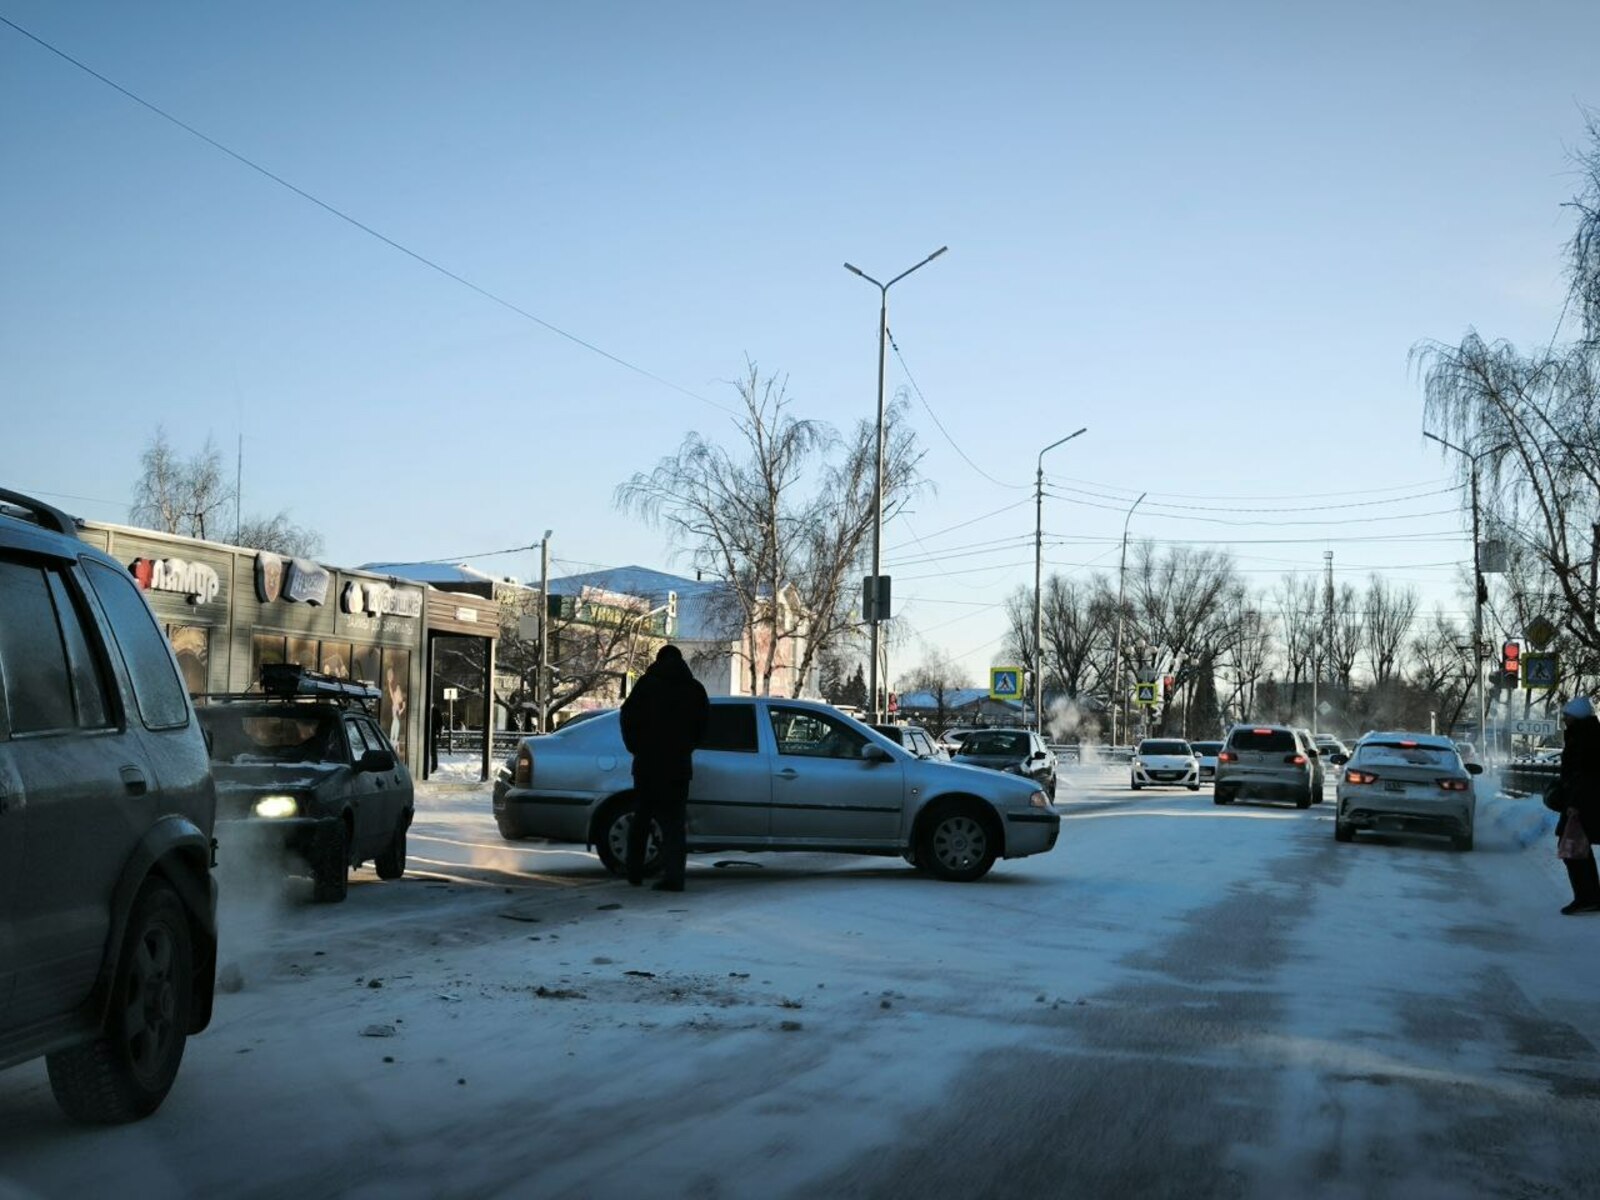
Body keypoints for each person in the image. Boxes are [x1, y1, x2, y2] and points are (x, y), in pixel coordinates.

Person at [618, 644, 709, 892]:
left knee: (642, 818)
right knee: (674, 824)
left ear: (659, 660)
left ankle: (634, 871)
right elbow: (704, 727)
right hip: (678, 766)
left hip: (647, 764)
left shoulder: (646, 686)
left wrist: (636, 747)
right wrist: (687, 747)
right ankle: (674, 877)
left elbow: (626, 715)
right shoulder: (694, 689)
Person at [1548, 695, 1600, 915]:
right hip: (1583, 801)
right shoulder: (1585, 735)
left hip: (1583, 803)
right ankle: (1590, 896)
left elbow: (1585, 775)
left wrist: (1575, 804)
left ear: (1576, 717)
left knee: (1572, 848)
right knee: (1577, 849)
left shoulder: (1585, 739)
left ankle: (1587, 897)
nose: (1564, 720)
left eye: (1567, 716)